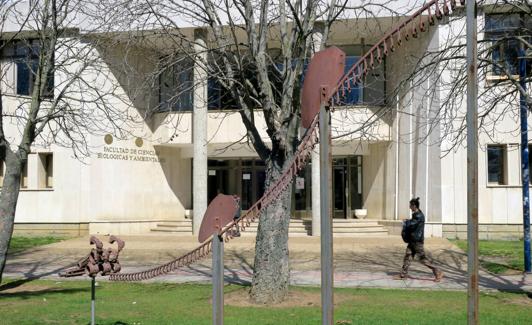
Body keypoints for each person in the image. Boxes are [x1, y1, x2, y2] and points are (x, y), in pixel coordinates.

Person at [399, 197, 444, 282]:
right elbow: (412, 223)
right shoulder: (416, 215)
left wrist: (405, 222)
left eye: (410, 205)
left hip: (417, 241)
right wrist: (407, 221)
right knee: (407, 256)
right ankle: (403, 275)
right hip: (412, 240)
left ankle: (438, 272)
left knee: (423, 259)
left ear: (414, 206)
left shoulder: (419, 215)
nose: (409, 207)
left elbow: (412, 224)